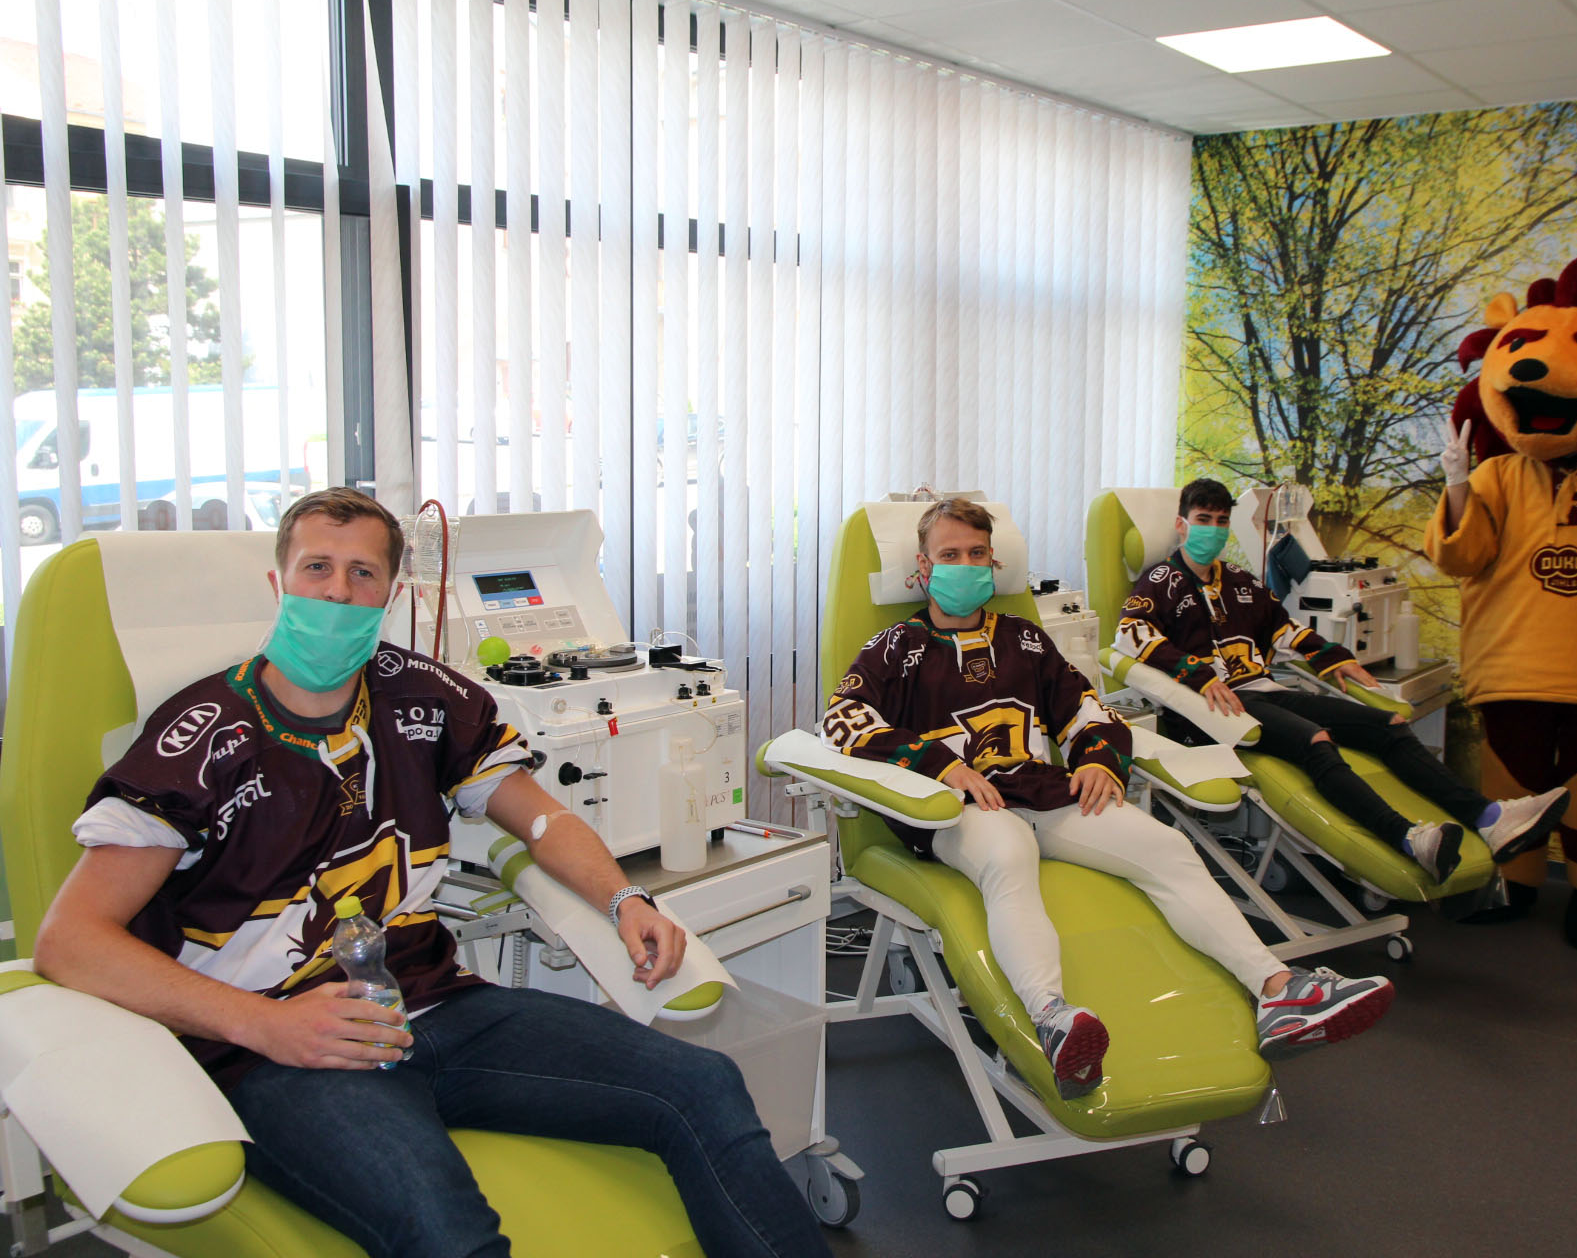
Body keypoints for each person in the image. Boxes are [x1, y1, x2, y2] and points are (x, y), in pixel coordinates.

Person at [33, 488, 828, 1258]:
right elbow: (70, 941)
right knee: (446, 1229)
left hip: (440, 1008)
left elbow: (541, 819)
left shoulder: (422, 695)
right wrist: (262, 1026)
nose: (337, 593)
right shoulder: (202, 735)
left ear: (390, 595)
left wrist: (624, 898)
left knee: (704, 1085)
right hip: (287, 1048)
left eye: (362, 573)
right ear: (279, 584)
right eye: (317, 568)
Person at [820, 498, 1394, 1100]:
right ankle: (1053, 1018)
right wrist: (941, 766)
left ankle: (1279, 991)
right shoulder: (896, 646)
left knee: (1166, 847)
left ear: (994, 563)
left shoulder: (1025, 639)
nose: (965, 566)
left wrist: (1097, 758)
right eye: (950, 555)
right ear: (923, 567)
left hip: (1042, 792)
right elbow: (843, 719)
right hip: (957, 809)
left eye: (977, 554)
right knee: (1009, 855)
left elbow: (1088, 711)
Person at [1114, 478, 1570, 887]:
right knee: (1316, 740)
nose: (1212, 529)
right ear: (1181, 524)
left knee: (1389, 725)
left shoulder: (1240, 581)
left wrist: (1333, 657)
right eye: (1203, 519)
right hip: (1215, 710)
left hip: (1264, 691)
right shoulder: (1160, 581)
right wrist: (1196, 675)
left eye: (1220, 521)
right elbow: (1129, 634)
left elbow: (1283, 628)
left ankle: (1489, 818)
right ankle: (1410, 839)